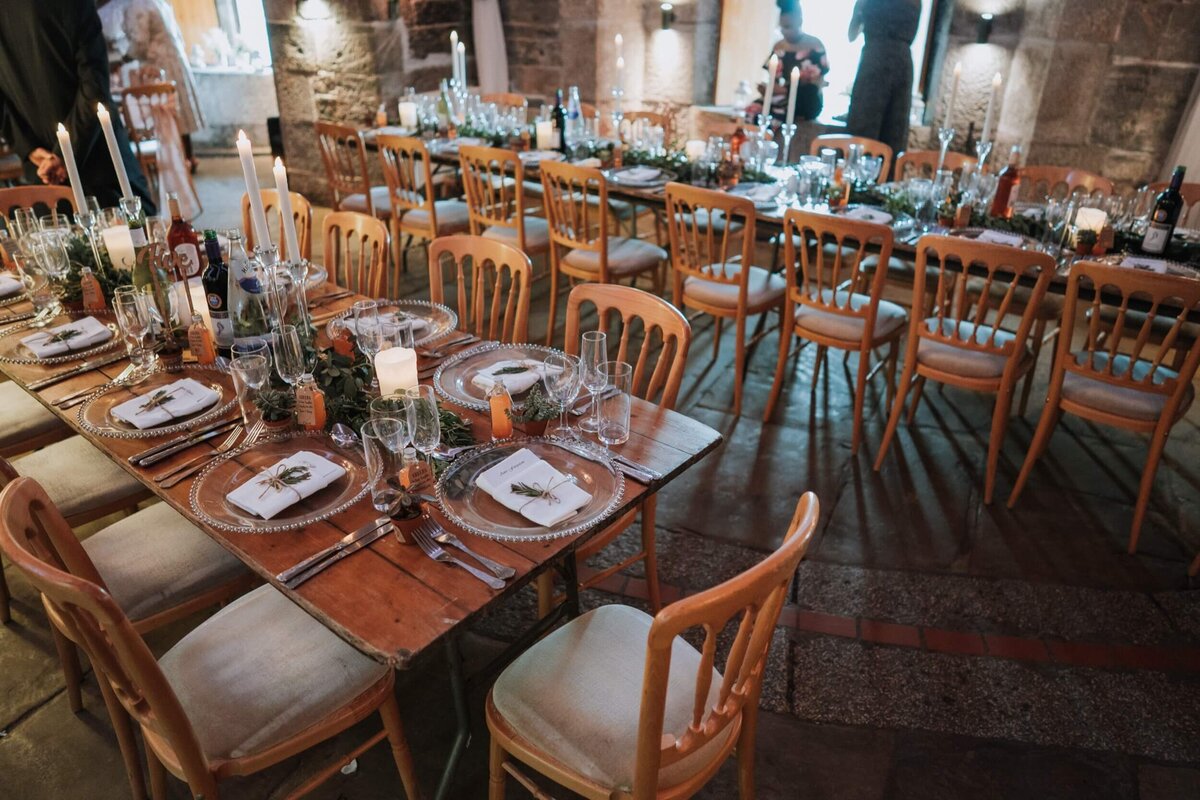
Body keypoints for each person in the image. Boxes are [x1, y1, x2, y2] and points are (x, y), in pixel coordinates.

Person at [0, 0, 155, 212]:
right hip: (100, 161)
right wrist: (64, 154)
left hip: (43, 176)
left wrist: (32, 150)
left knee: (62, 244)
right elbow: (94, 85)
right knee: (138, 239)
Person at [116, 0, 206, 172]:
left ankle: (176, 160)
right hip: (174, 59)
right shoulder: (158, 2)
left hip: (157, 65)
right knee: (178, 110)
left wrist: (123, 58)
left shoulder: (138, 6)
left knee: (164, 110)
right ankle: (188, 157)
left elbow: (140, 42)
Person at [846, 0, 923, 159]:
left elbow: (851, 34)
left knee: (863, 128)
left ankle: (856, 177)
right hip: (902, 62)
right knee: (895, 131)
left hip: (875, 58)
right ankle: (888, 178)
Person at [751, 0, 830, 125]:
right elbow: (774, 79)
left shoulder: (815, 45)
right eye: (782, 27)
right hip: (780, 97)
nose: (784, 31)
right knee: (753, 111)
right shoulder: (779, 46)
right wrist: (768, 89)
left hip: (805, 99)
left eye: (788, 27)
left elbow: (816, 84)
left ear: (799, 22)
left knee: (785, 110)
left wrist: (784, 91)